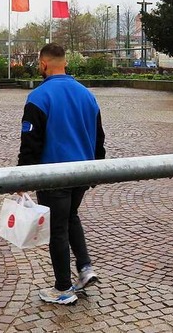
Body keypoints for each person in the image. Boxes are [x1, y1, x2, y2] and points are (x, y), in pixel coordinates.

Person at [17, 43, 106, 305]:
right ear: (64, 62)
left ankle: (63, 288)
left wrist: (22, 178)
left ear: (43, 64)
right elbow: (99, 138)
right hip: (83, 172)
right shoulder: (86, 94)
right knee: (71, 217)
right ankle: (85, 267)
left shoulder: (39, 97)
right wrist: (96, 169)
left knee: (58, 229)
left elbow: (30, 143)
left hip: (53, 174)